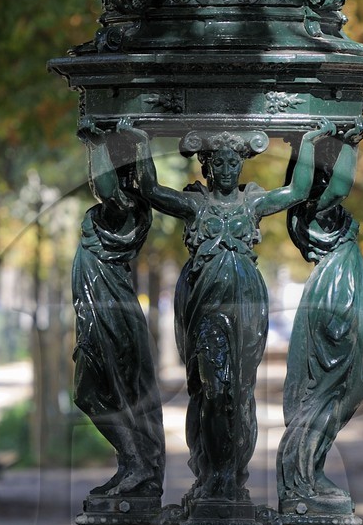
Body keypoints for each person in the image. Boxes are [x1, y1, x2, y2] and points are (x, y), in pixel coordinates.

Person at [126, 123, 326, 503]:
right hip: (208, 311)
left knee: (240, 393)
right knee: (214, 390)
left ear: (241, 165)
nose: (227, 169)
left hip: (247, 310)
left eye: (233, 162)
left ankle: (231, 475)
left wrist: (310, 143)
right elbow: (151, 190)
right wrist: (139, 144)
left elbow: (298, 191)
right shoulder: (196, 206)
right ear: (208, 167)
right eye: (219, 162)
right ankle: (214, 472)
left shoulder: (252, 204)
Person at [277, 119, 363, 508]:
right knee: (332, 388)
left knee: (344, 389)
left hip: (339, 289)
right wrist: (350, 144)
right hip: (336, 295)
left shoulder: (317, 213)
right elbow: (341, 186)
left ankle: (309, 468)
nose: (331, 173)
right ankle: (304, 473)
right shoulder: (315, 212)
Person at [72, 118, 165, 501]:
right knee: (99, 390)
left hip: (108, 312)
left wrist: (97, 143)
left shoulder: (127, 208)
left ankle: (137, 462)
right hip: (99, 309)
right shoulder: (121, 207)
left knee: (93, 390)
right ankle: (132, 463)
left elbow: (106, 188)